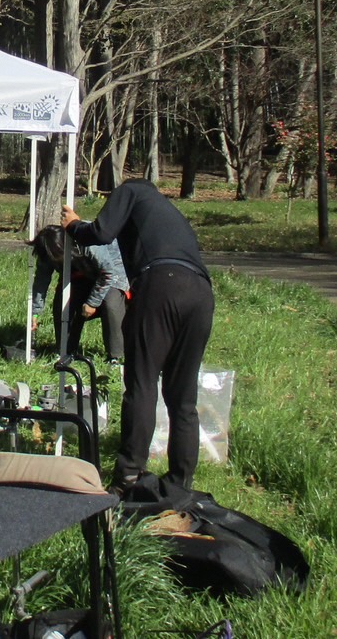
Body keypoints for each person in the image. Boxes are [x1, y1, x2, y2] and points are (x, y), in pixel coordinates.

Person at [62, 178, 214, 491]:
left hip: (161, 284)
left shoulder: (132, 190)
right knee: (183, 398)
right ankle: (180, 483)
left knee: (142, 383)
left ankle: (129, 475)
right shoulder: (167, 212)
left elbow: (102, 233)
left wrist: (75, 226)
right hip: (201, 291)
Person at [30, 224, 128, 363]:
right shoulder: (48, 249)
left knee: (110, 303)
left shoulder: (88, 239)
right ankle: (66, 351)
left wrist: (92, 302)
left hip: (112, 275)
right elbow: (41, 280)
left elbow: (108, 273)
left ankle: (115, 357)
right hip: (79, 278)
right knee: (63, 302)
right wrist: (34, 312)